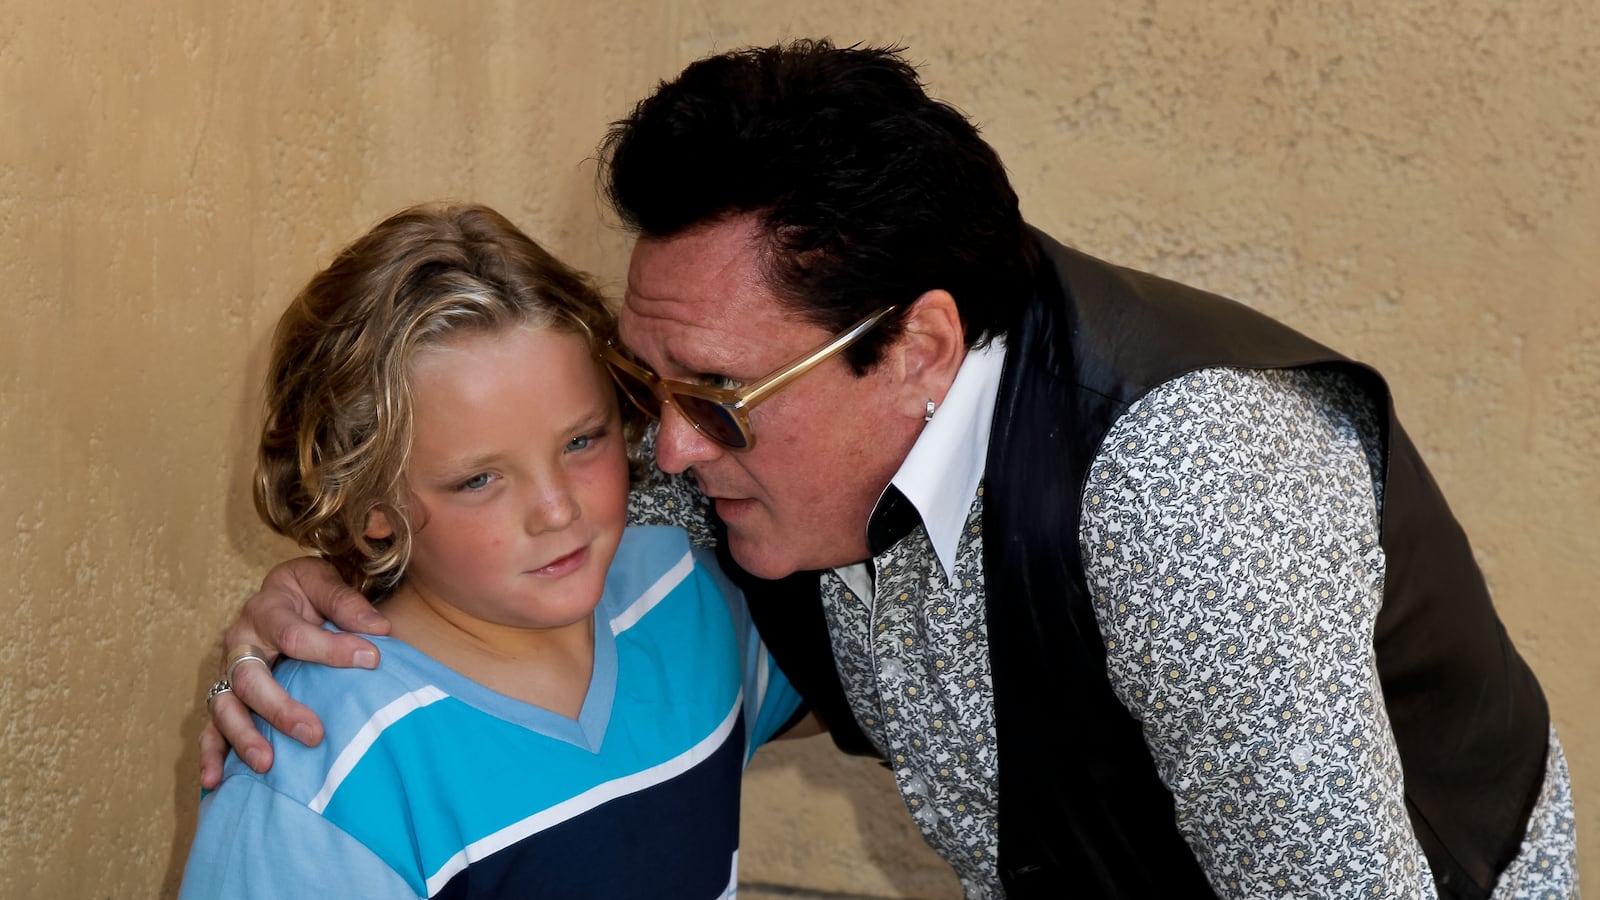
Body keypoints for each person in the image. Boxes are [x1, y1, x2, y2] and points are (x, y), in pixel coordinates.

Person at [201, 43, 1578, 900]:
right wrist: (342, 574)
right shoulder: (766, 444)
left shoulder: (1191, 493)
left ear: (918, 345)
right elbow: (493, 524)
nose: (661, 453)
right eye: (643, 389)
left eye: (717, 400)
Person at [181, 203, 804, 899]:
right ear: (370, 510)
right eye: (479, 479)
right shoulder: (322, 763)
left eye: (582, 441)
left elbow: (865, 689)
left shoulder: (684, 595)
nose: (556, 509)